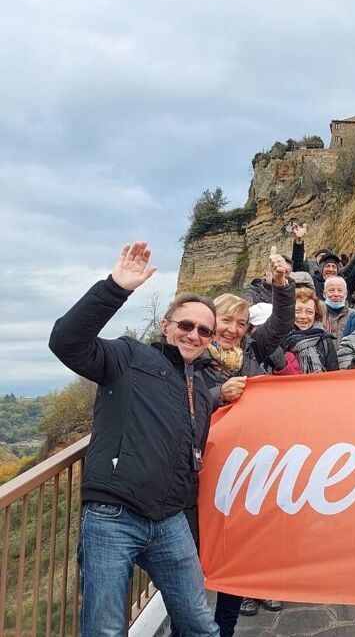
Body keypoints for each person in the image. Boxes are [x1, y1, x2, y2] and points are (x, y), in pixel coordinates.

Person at [48, 242, 220, 636]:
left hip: (169, 520)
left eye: (204, 330)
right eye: (186, 325)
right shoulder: (128, 357)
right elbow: (66, 343)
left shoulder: (198, 385)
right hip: (113, 517)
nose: (194, 335)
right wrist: (115, 288)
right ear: (166, 326)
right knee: (105, 631)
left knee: (200, 624)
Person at [184, 250, 294, 630]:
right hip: (204, 470)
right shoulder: (192, 358)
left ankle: (226, 625)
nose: (232, 329)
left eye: (241, 323)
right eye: (226, 321)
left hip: (244, 467)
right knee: (200, 554)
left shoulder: (252, 351)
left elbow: (281, 324)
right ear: (212, 323)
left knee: (238, 548)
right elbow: (183, 406)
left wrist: (281, 285)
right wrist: (218, 396)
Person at [274, 288, 338, 374]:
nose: (303, 316)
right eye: (298, 311)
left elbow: (334, 373)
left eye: (309, 312)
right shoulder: (280, 340)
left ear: (316, 315)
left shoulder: (325, 340)